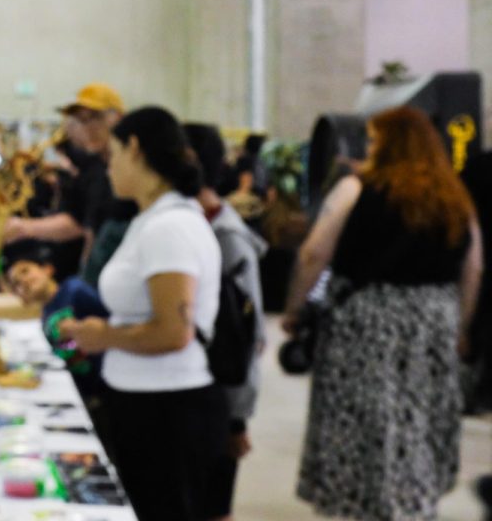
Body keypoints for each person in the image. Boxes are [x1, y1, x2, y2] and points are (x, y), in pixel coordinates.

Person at [282, 106, 483, 521]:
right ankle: (413, 500)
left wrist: (295, 308)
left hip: (364, 319)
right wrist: (462, 325)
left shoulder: (355, 190)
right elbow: (474, 267)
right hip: (432, 321)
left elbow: (313, 253)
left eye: (375, 141)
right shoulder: (454, 197)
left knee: (365, 418)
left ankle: (362, 503)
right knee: (417, 417)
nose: (369, 149)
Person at [61, 106, 227, 521]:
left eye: (114, 155)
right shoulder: (150, 219)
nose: (110, 168)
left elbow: (174, 332)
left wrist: (103, 337)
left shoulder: (170, 226)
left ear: (135, 149)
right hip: (145, 405)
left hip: (168, 411)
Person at [184, 123, 267, 521]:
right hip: (187, 394)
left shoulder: (228, 238)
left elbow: (246, 339)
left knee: (211, 504)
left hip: (215, 399)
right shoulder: (184, 222)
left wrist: (237, 418)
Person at [3, 83, 128, 282]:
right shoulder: (92, 171)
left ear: (116, 118)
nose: (86, 128)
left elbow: (80, 226)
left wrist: (25, 227)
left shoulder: (123, 170)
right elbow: (87, 226)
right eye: (79, 120)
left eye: (94, 118)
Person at [6, 251, 110, 435]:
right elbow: (66, 349)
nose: (23, 282)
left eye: (25, 271)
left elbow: (110, 321)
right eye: (16, 285)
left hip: (105, 387)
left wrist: (77, 329)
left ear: (47, 269)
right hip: (81, 391)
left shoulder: (74, 289)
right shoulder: (46, 314)